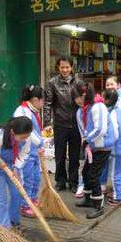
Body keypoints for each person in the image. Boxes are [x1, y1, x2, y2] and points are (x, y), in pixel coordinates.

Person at [0, 117, 33, 230]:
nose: (25, 139)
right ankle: (4, 228)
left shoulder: (26, 138)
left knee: (17, 193)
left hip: (12, 167)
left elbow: (24, 153)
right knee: (0, 198)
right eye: (22, 137)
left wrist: (16, 167)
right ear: (13, 132)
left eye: (26, 136)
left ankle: (14, 221)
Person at [73, 81, 115, 219]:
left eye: (77, 97)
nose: (76, 100)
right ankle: (88, 198)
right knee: (86, 172)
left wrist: (87, 139)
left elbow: (101, 129)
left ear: (84, 94)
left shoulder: (98, 106)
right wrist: (86, 141)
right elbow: (84, 130)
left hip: (102, 147)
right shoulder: (82, 110)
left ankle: (98, 205)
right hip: (93, 146)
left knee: (93, 175)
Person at [45, 57, 81, 193]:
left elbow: (84, 103)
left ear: (71, 67)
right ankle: (60, 181)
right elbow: (48, 104)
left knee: (74, 156)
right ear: (58, 68)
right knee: (59, 156)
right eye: (62, 67)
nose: (65, 70)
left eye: (67, 67)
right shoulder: (52, 83)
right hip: (60, 124)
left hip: (76, 125)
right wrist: (47, 123)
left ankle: (74, 181)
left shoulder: (78, 82)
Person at [13, 85, 46, 218]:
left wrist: (39, 146)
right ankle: (24, 205)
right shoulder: (22, 111)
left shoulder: (32, 111)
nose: (43, 103)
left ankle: (32, 199)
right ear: (35, 99)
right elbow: (30, 133)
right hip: (24, 154)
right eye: (42, 100)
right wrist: (41, 143)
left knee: (35, 179)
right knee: (26, 180)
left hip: (34, 152)